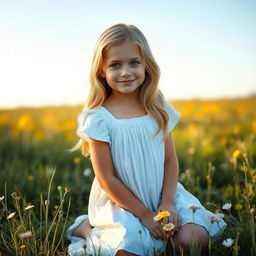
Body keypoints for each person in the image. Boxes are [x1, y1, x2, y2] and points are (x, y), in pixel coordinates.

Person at [66, 24, 226, 256]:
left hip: (162, 195)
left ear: (146, 65)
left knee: (194, 239)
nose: (125, 72)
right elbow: (106, 178)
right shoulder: (98, 118)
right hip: (122, 203)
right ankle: (87, 230)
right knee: (127, 252)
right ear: (101, 70)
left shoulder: (156, 107)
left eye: (134, 62)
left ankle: (158, 237)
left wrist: (168, 203)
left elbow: (170, 160)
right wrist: (144, 215)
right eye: (115, 65)